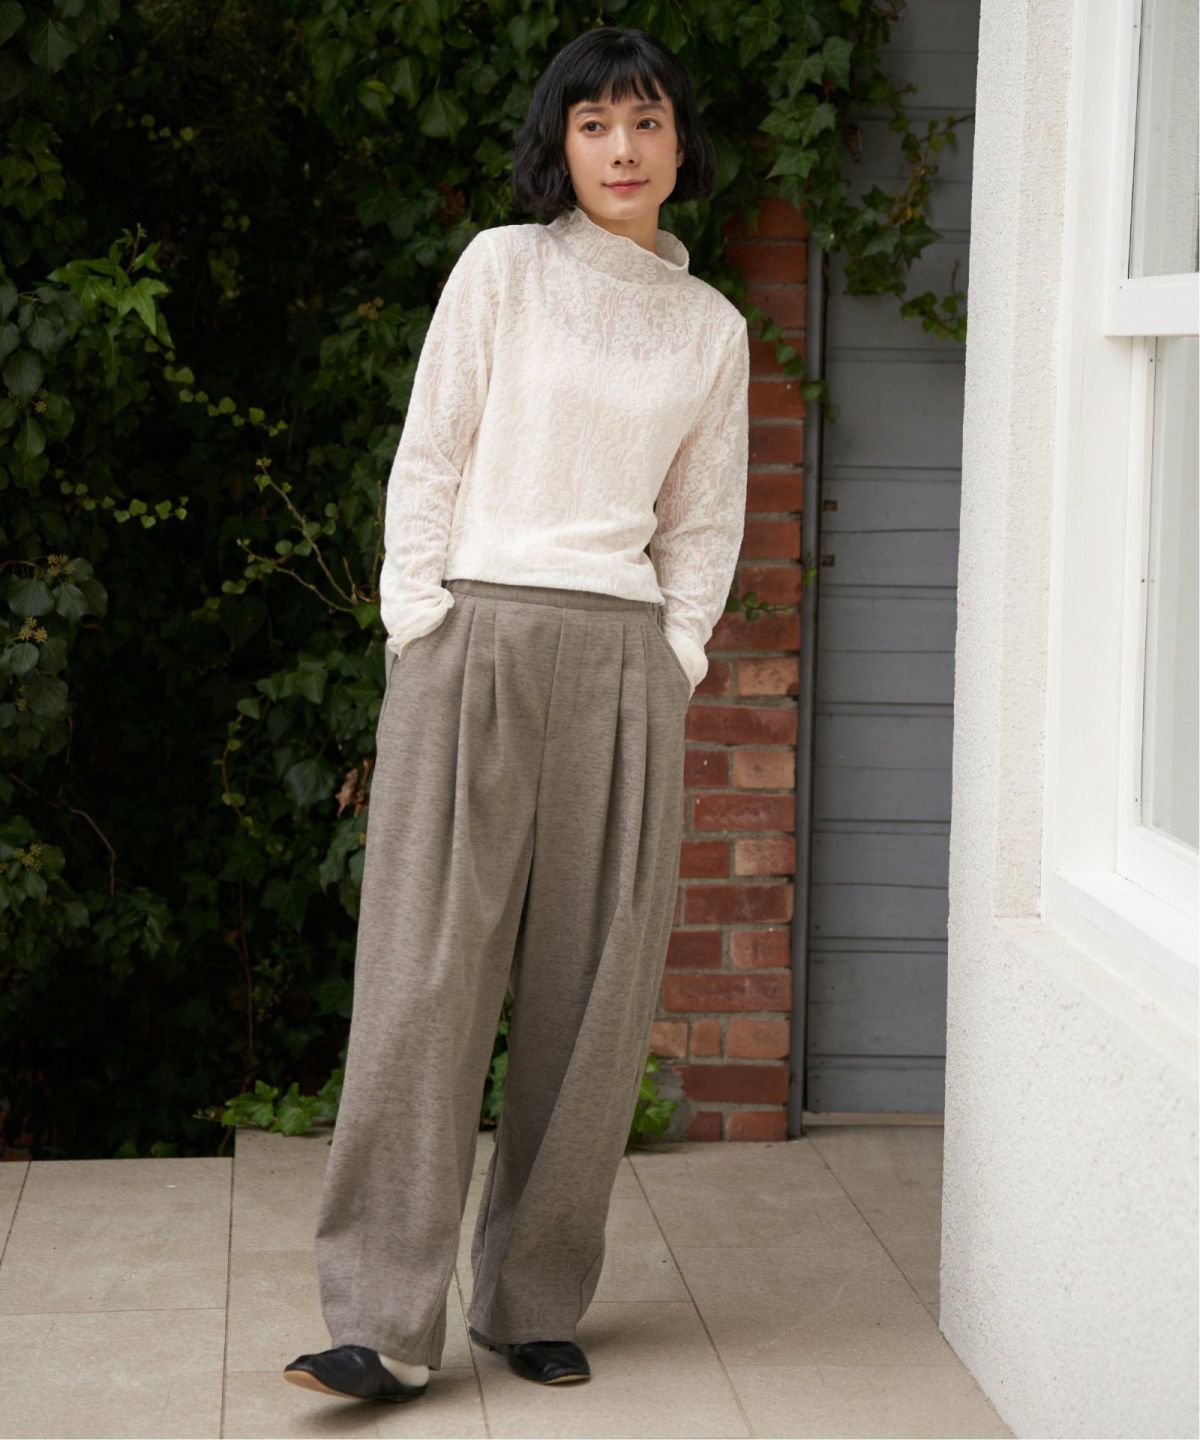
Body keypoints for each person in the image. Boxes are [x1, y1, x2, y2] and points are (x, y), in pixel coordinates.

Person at [283, 23, 749, 1406]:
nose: (623, 148)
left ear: (680, 144)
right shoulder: (501, 267)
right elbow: (432, 447)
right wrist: (417, 622)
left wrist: (675, 657)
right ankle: (380, 1321)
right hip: (473, 635)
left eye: (646, 121)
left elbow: (704, 518)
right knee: (425, 982)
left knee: (592, 1001)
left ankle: (531, 1299)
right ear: (562, 143)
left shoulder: (712, 329)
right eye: (595, 123)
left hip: (622, 660)